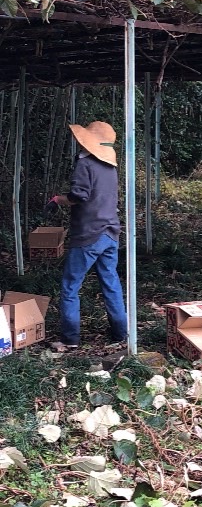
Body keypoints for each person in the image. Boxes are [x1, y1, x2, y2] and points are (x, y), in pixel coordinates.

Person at [47, 120, 128, 349]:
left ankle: (70, 338)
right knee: (110, 282)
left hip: (88, 235)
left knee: (70, 285)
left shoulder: (85, 165)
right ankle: (121, 334)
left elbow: (79, 195)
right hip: (111, 233)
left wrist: (58, 200)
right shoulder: (110, 167)